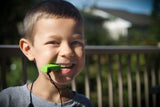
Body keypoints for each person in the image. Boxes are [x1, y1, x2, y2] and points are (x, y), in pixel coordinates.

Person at [0, 0, 94, 107]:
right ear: (28, 49)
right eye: (53, 42)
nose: (67, 52)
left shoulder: (85, 104)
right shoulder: (8, 100)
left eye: (76, 42)